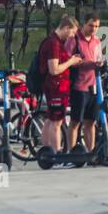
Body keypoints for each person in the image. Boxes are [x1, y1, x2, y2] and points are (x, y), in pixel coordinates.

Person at [37, 15, 82, 160]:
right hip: (56, 86)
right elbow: (54, 69)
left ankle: (46, 152)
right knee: (56, 122)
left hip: (55, 86)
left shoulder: (54, 41)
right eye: (72, 32)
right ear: (66, 28)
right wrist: (71, 61)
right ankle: (56, 155)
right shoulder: (54, 44)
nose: (72, 36)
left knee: (50, 120)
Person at [68, 14, 102, 153]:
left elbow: (99, 57)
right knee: (76, 121)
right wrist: (85, 63)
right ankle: (71, 151)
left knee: (91, 121)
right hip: (79, 85)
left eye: (96, 26)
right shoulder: (74, 39)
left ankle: (91, 151)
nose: (93, 29)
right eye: (91, 25)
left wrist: (99, 63)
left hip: (93, 85)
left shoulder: (97, 41)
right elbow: (67, 60)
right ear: (84, 24)